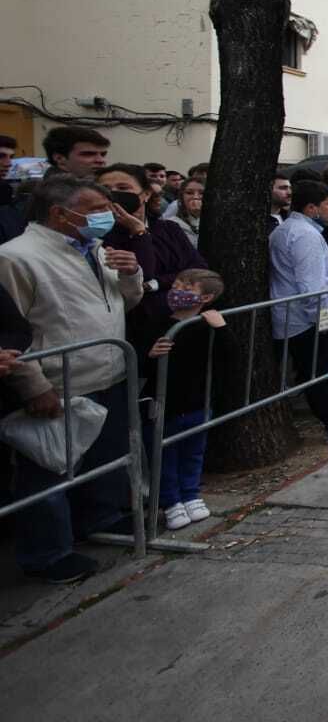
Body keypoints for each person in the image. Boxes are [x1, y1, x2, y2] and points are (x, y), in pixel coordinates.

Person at [0, 177, 144, 583]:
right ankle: (47, 553)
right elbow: (9, 331)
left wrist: (131, 275)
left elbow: (123, 302)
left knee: (105, 459)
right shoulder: (16, 258)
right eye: (96, 208)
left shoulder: (95, 248)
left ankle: (100, 518)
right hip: (57, 382)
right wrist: (32, 385)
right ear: (60, 213)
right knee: (47, 471)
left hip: (110, 370)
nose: (106, 216)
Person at [136, 268, 229, 530]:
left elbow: (229, 356)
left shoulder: (207, 325)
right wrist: (150, 355)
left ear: (207, 298)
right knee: (163, 455)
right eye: (177, 285)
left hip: (198, 403)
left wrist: (221, 328)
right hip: (162, 405)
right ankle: (171, 501)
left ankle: (190, 494)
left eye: (188, 289)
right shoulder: (156, 321)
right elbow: (140, 359)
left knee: (193, 452)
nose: (178, 292)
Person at [96, 163, 206, 325]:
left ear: (146, 194)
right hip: (137, 323)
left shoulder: (169, 228)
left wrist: (156, 284)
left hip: (181, 318)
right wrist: (139, 232)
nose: (114, 194)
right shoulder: (101, 235)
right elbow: (140, 279)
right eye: (105, 189)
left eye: (123, 187)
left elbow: (199, 268)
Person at [270, 180, 328, 432]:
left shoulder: (292, 229)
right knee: (318, 375)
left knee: (316, 372)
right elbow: (311, 289)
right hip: (305, 321)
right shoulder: (304, 235)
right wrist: (323, 320)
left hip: (298, 318)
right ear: (311, 208)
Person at [41, 126, 110, 179]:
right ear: (60, 158)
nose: (101, 160)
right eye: (88, 154)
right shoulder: (53, 195)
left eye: (103, 154)